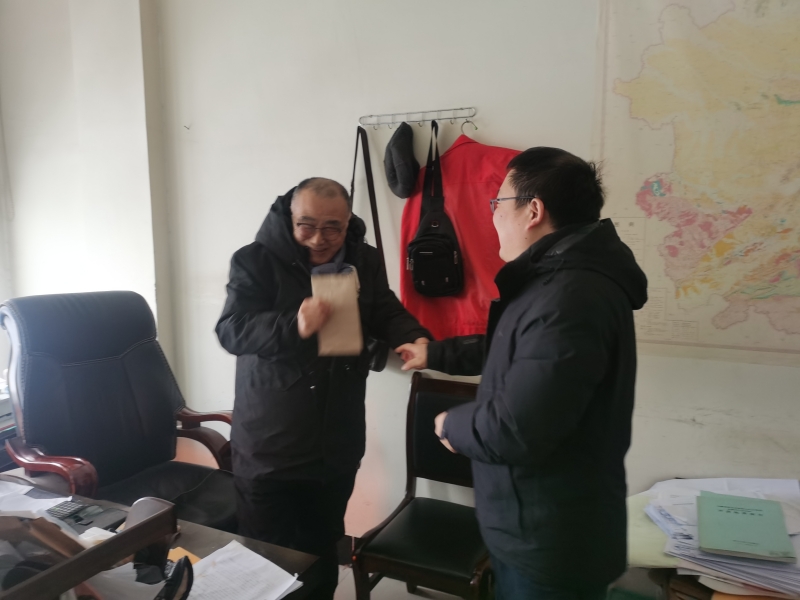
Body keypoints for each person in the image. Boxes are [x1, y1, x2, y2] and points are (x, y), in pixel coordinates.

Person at [397, 148, 648, 599]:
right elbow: (512, 348)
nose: (493, 215)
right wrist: (435, 353)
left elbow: (517, 428)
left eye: (498, 203)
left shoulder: (570, 296)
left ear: (533, 211)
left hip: (549, 541)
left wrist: (452, 424)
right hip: (537, 525)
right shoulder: (557, 279)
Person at [216, 177, 430, 600]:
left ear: (348, 221)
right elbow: (232, 329)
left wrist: (412, 335)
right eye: (307, 226)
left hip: (336, 440)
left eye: (333, 227)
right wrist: (293, 323)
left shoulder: (363, 258)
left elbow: (384, 308)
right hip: (270, 444)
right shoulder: (255, 260)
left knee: (322, 547)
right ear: (289, 217)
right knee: (268, 560)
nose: (319, 239)